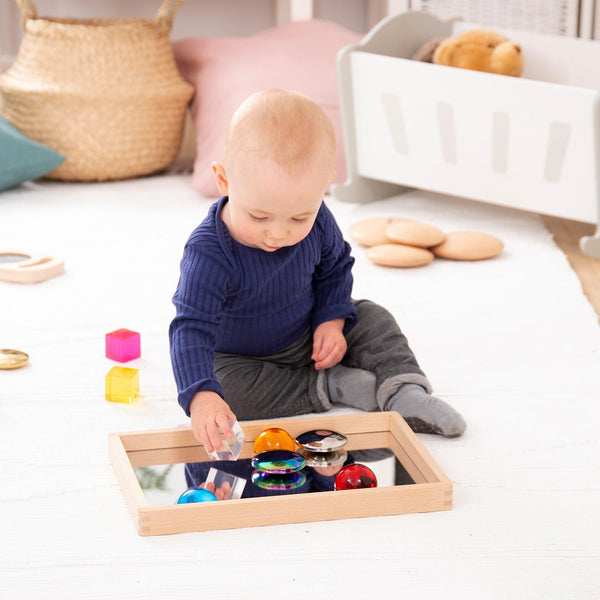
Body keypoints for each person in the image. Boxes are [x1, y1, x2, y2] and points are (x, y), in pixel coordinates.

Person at [169, 89, 466, 459]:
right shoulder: (208, 252)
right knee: (229, 390)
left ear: (325, 184)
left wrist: (332, 319)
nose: (278, 233)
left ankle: (405, 393)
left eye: (299, 217)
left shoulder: (319, 217)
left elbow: (335, 268)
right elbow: (190, 328)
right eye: (259, 216)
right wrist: (202, 396)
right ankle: (333, 385)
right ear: (224, 180)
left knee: (373, 316)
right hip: (240, 356)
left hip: (307, 333)